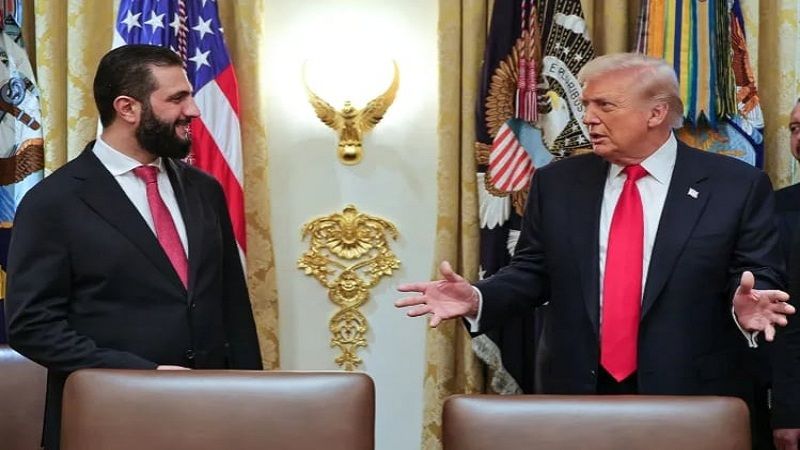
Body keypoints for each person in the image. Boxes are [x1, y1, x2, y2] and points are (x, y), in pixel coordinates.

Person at [396, 53, 799, 448]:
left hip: (692, 396)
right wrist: (479, 297)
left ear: (656, 113)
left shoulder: (735, 185)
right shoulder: (557, 183)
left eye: (604, 105)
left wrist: (745, 306)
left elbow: (756, 272)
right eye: (587, 104)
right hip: (576, 392)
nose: (588, 117)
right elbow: (532, 271)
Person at [4, 44, 262, 450]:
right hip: (108, 417)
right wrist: (142, 373)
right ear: (127, 108)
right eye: (177, 98)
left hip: (211, 416)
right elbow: (32, 326)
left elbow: (233, 308)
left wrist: (254, 402)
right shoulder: (53, 202)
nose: (194, 110)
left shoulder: (204, 190)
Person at [770, 99, 800, 450]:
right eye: (794, 128)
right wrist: (788, 411)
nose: (799, 137)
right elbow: (787, 321)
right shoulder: (776, 208)